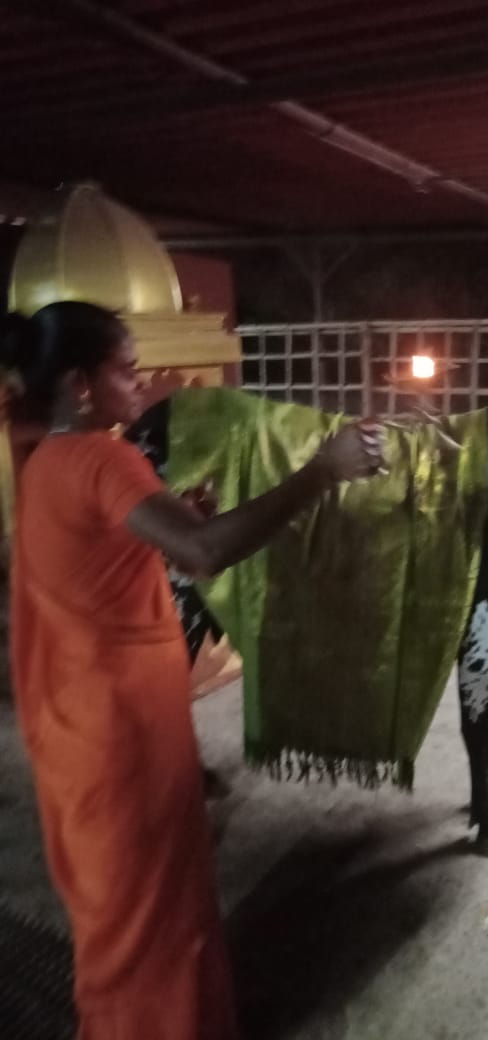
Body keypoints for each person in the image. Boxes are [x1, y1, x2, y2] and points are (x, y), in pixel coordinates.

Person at [1, 300, 384, 1040]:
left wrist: (176, 511)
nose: (143, 385)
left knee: (119, 918)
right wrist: (321, 472)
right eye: (127, 372)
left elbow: (108, 550)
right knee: (156, 921)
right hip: (124, 740)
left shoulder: (47, 459)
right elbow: (204, 553)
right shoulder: (103, 456)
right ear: (81, 385)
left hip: (77, 724)